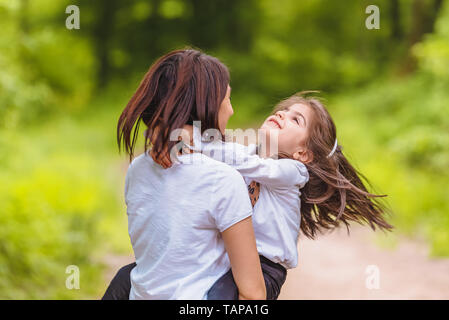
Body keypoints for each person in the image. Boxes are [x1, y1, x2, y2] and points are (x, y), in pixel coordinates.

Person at [104, 92, 394, 300]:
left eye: (296, 119)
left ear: (303, 153)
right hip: (232, 261)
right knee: (127, 278)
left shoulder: (292, 173)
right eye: (284, 109)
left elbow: (239, 160)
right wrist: (169, 137)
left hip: (264, 271)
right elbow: (224, 158)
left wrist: (189, 140)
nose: (283, 114)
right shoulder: (250, 157)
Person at [108, 48, 266, 300]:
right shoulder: (221, 180)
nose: (232, 111)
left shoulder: (137, 170)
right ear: (208, 106)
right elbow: (253, 293)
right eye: (228, 100)